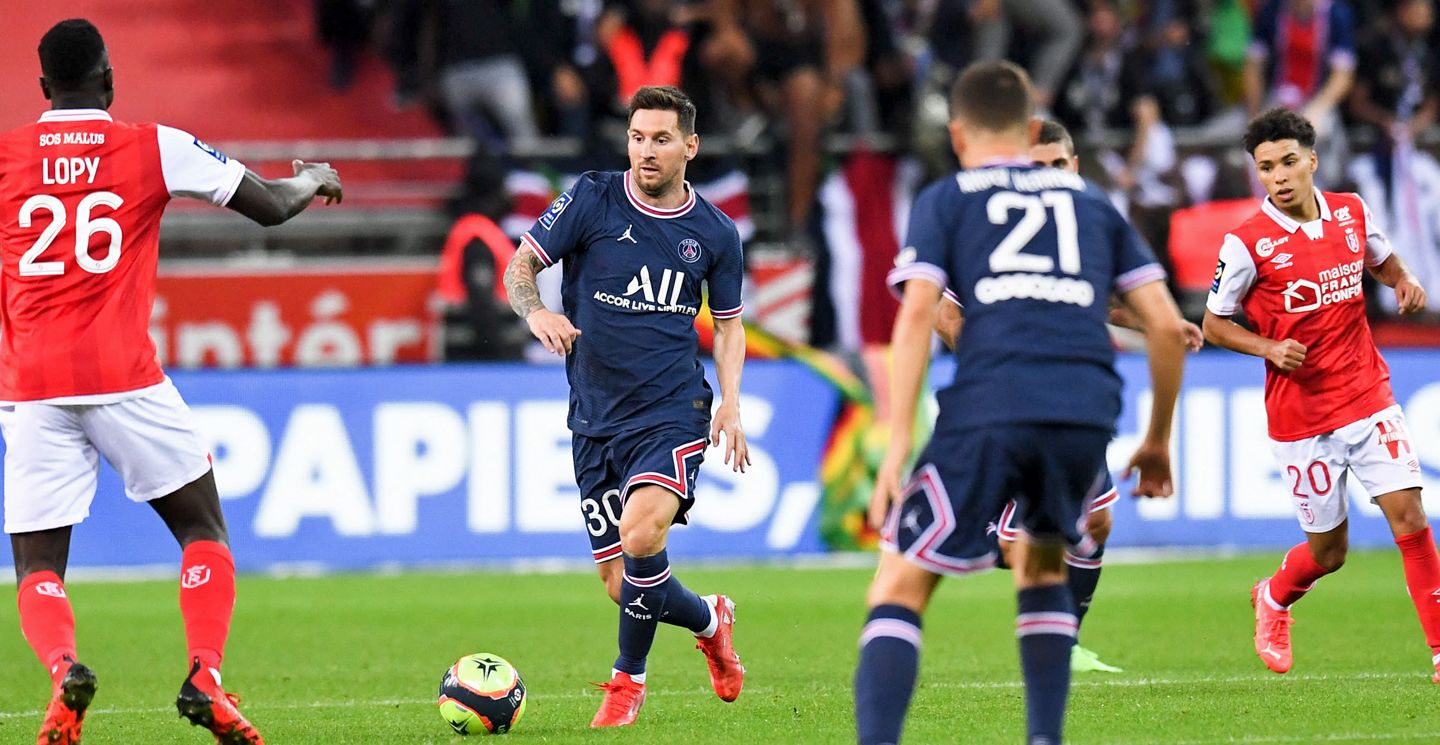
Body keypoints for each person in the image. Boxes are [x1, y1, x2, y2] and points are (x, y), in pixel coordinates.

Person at [0, 19, 343, 745]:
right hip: (124, 375)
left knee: (35, 563)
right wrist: (312, 177)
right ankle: (204, 673)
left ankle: (64, 671)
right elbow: (273, 206)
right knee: (201, 529)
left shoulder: (6, 155)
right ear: (109, 79)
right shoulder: (153, 143)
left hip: (29, 384)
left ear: (41, 90)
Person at [854, 62, 1187, 745]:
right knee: (1041, 566)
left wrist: (894, 446)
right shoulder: (1092, 204)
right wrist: (1156, 438)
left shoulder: (950, 197)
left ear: (956, 134)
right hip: (1085, 410)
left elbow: (919, 311)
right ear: (1031, 128)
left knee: (896, 586)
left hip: (993, 400)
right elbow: (1165, 325)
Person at [500, 85, 748, 728]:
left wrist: (730, 405)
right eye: (638, 137)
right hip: (594, 416)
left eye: (661, 139)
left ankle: (626, 683)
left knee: (643, 534)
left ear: (690, 147)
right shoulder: (592, 197)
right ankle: (710, 618)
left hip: (673, 409)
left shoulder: (715, 234)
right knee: (624, 584)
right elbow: (520, 266)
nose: (646, 151)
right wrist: (537, 313)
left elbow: (728, 326)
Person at [934, 119, 1205, 678]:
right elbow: (941, 308)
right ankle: (974, 530)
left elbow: (1101, 299)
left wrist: (1161, 323)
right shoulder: (993, 222)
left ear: (1075, 166)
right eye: (1037, 166)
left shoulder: (1090, 220)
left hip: (1073, 394)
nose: (1049, 176)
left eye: (1058, 165)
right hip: (1007, 395)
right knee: (1028, 546)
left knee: (1097, 524)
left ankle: (1068, 641)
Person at [1203, 108, 1439, 680]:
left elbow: (1382, 261)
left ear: (1311, 160)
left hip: (1366, 393)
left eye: (1288, 162)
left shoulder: (1351, 213)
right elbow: (1214, 323)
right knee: (1330, 552)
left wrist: (1403, 280)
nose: (1279, 176)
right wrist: (1267, 348)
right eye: (1266, 168)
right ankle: (1275, 597)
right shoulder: (1247, 244)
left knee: (1409, 516)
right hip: (1301, 415)